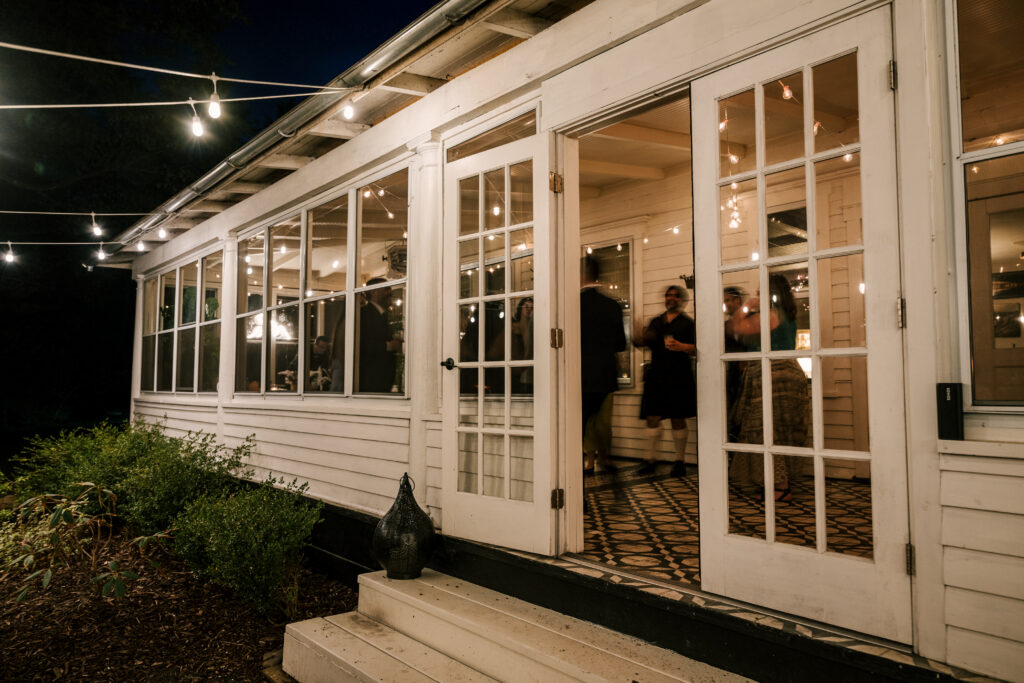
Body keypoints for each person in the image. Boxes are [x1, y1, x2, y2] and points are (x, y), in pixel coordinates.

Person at [728, 273, 809, 502]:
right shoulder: (786, 313)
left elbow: (735, 327)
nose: (756, 293)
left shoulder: (771, 314)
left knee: (765, 432)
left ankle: (781, 487)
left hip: (773, 376)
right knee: (779, 433)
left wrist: (746, 306)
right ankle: (777, 483)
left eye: (760, 289)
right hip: (786, 374)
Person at [634, 284, 696, 477]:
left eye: (675, 296)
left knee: (678, 418)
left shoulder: (688, 323)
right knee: (652, 417)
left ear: (682, 300)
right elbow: (642, 343)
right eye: (668, 295)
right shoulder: (656, 322)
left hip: (679, 375)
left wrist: (682, 346)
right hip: (656, 375)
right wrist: (637, 335)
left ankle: (679, 461)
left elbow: (697, 348)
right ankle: (650, 460)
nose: (671, 298)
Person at [580, 258, 626, 473]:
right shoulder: (611, 306)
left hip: (580, 372)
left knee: (587, 420)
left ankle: (589, 461)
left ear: (582, 275)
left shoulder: (573, 304)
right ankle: (605, 458)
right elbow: (620, 344)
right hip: (606, 371)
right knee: (604, 419)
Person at [358, 278, 402, 392]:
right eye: (386, 289)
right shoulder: (365, 314)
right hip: (371, 383)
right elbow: (362, 344)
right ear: (374, 292)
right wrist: (390, 346)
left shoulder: (381, 315)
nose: (391, 293)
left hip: (380, 383)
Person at [723, 286, 747, 443]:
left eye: (729, 300)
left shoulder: (751, 320)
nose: (726, 304)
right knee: (732, 415)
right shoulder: (726, 325)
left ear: (738, 300)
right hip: (732, 375)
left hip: (750, 374)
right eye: (725, 301)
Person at [510, 297, 534, 394]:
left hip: (531, 370)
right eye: (526, 307)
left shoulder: (534, 328)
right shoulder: (514, 327)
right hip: (516, 370)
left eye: (532, 307)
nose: (529, 310)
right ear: (520, 308)